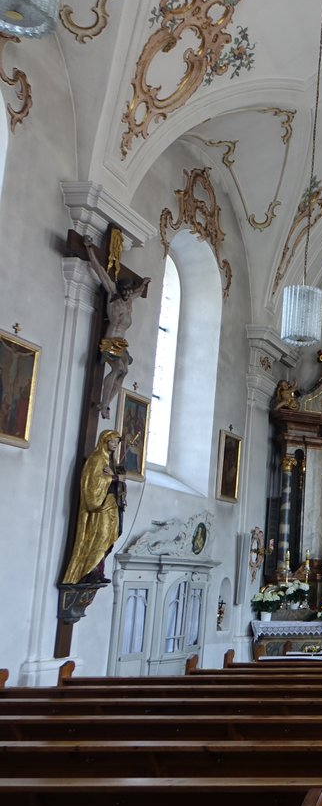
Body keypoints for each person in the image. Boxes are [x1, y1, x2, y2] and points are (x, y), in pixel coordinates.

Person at [85, 244, 149, 420]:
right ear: (120, 290)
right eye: (125, 291)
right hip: (111, 339)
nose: (128, 294)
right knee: (118, 368)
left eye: (129, 291)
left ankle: (106, 403)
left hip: (121, 343)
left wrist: (143, 284)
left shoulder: (129, 301)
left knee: (124, 371)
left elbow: (138, 292)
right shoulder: (113, 294)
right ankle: (104, 404)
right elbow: (100, 271)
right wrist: (89, 248)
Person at [62, 430, 125, 585]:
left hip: (112, 505)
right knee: (100, 537)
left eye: (117, 442)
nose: (115, 445)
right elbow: (92, 486)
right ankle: (90, 572)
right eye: (112, 442)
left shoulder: (111, 462)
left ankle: (99, 571)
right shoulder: (96, 459)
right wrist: (114, 478)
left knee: (108, 538)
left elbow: (118, 482)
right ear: (104, 441)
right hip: (100, 508)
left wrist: (116, 477)